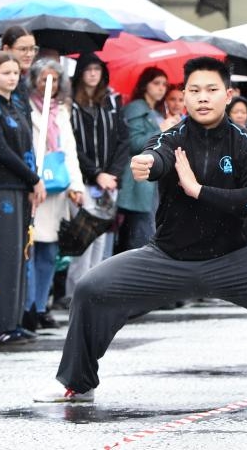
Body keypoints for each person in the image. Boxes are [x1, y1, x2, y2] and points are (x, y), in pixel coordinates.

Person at [34, 57, 247, 405]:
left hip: (239, 258)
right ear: (183, 96)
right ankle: (76, 382)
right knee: (91, 288)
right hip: (168, 258)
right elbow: (159, 156)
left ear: (228, 95)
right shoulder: (170, 138)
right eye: (194, 90)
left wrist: (200, 191)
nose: (202, 97)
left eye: (211, 90)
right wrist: (148, 163)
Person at [0, 51, 46, 344]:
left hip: (20, 187)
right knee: (3, 256)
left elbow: (26, 148)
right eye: (5, 72)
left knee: (19, 256)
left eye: (15, 73)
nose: (12, 77)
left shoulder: (16, 105)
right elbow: (1, 152)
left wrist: (33, 181)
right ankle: (0, 324)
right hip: (0, 188)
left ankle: (14, 320)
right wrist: (33, 178)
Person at [25, 60, 85, 330]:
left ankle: (41, 305)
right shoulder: (25, 107)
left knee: (49, 250)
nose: (49, 84)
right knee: (31, 247)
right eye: (43, 78)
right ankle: (26, 306)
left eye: (54, 79)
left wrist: (77, 185)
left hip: (58, 185)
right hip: (34, 185)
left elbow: (69, 148)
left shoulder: (61, 111)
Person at [69, 53, 128, 288]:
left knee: (102, 240)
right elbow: (71, 144)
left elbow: (123, 140)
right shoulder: (71, 104)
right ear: (80, 74)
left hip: (110, 182)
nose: (93, 74)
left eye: (97, 69)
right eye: (88, 69)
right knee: (83, 239)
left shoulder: (112, 102)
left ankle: (95, 288)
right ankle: (76, 290)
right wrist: (96, 173)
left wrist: (113, 173)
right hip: (83, 181)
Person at [117, 68, 172, 253]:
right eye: (156, 83)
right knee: (140, 235)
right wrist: (161, 130)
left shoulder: (154, 110)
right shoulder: (136, 108)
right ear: (145, 85)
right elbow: (133, 143)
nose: (161, 88)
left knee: (147, 232)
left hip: (152, 181)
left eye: (164, 84)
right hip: (138, 181)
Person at [0, 26, 38, 116]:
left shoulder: (23, 80)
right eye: (23, 49)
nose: (29, 54)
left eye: (32, 49)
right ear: (6, 49)